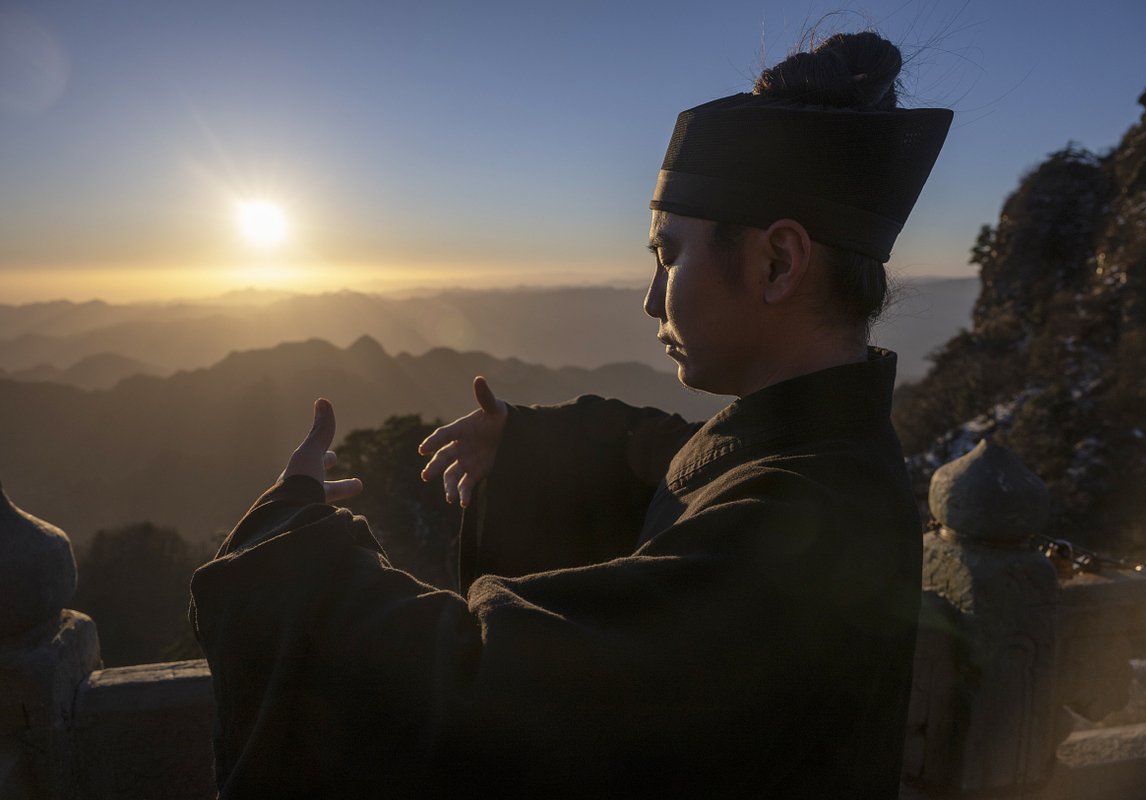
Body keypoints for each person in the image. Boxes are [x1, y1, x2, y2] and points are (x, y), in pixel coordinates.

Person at [190, 30, 951, 798]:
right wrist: (528, 446)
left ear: (777, 263)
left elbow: (487, 686)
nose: (652, 299)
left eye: (670, 256)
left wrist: (291, 555)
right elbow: (672, 460)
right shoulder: (820, 454)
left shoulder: (804, 520)